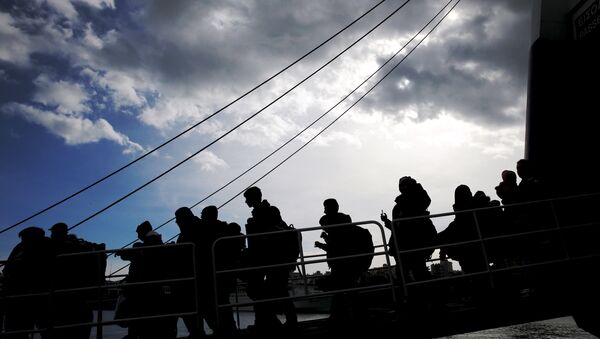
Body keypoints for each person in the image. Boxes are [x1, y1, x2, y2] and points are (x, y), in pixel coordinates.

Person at [242, 186, 297, 331]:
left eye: (247, 198)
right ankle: (268, 320)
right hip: (266, 258)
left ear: (253, 198)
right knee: (261, 289)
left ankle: (282, 320)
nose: (246, 202)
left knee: (276, 289)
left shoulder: (269, 212)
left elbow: (270, 233)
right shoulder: (263, 213)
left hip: (275, 257)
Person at [314, 198, 373, 323]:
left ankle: (345, 316)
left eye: (325, 207)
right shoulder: (344, 225)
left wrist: (321, 244)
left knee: (343, 291)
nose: (324, 210)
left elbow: (335, 247)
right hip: (350, 263)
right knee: (346, 290)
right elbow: (338, 245)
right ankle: (353, 315)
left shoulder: (335, 226)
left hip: (342, 264)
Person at [115, 221, 176, 339]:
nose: (137, 236)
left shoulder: (148, 245)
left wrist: (124, 253)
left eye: (138, 233)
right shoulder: (154, 243)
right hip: (151, 288)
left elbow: (142, 261)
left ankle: (134, 334)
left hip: (144, 289)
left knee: (138, 314)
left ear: (144, 231)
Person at [380, 176, 437, 282]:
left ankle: (418, 295)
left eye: (407, 185)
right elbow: (396, 227)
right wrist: (386, 221)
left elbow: (426, 200)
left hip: (415, 244)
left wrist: (417, 185)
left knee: (418, 273)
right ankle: (408, 295)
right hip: (403, 245)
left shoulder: (417, 201)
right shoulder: (398, 207)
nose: (404, 188)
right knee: (405, 274)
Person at [2, 226, 53, 339]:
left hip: (28, 297)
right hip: (33, 297)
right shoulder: (23, 247)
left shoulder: (27, 247)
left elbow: (8, 269)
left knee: (16, 331)